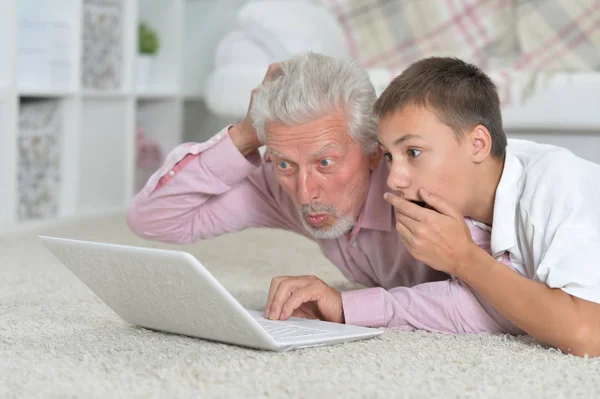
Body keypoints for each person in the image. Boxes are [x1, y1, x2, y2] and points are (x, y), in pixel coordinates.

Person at [126, 52, 521, 341]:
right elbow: (153, 219)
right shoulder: (282, 183)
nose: (304, 192)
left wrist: (350, 307)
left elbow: (499, 304)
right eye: (284, 164)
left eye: (326, 162)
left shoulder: (424, 188)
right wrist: (246, 135)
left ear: (372, 151)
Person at [375, 56, 600, 357]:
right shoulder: (460, 210)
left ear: (478, 144)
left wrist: (465, 259)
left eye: (413, 152)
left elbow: (587, 333)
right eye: (389, 156)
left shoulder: (555, 182)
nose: (393, 180)